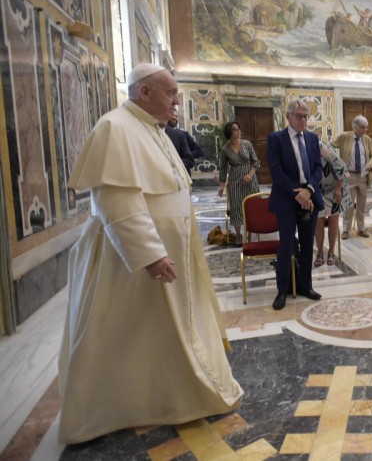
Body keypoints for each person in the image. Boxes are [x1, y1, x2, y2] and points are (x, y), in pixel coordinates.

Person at [58, 63, 243, 444]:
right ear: (144, 92)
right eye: (170, 92)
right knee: (127, 334)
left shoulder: (155, 130)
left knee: (161, 334)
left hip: (169, 255)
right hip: (130, 265)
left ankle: (172, 395)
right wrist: (149, 254)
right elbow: (115, 200)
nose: (177, 100)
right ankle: (111, 408)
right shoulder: (114, 128)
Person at [267, 100, 324, 310]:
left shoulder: (312, 138)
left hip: (309, 197)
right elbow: (276, 172)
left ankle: (305, 286)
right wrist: (299, 193)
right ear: (288, 116)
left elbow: (318, 167)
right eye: (299, 116)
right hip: (286, 198)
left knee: (308, 245)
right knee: (286, 246)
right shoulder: (276, 139)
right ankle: (282, 290)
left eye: (305, 116)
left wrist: (308, 190)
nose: (303, 120)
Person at [217, 121, 260, 246]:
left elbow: (256, 162)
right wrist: (222, 185)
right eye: (235, 129)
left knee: (251, 205)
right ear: (229, 132)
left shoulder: (247, 144)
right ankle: (238, 234)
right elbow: (223, 168)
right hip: (235, 180)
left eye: (238, 129)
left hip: (250, 179)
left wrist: (250, 175)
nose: (238, 131)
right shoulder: (225, 149)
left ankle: (250, 233)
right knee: (236, 206)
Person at [333, 115, 372, 239]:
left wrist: (370, 163)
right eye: (363, 127)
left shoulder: (367, 140)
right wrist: (336, 163)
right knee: (349, 204)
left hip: (363, 175)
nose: (365, 130)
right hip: (349, 175)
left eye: (366, 127)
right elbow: (330, 146)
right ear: (355, 126)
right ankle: (346, 229)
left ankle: (361, 228)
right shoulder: (344, 137)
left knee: (362, 204)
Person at [314, 141, 352, 267]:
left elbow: (343, 168)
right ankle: (320, 253)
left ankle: (331, 252)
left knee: (333, 218)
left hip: (336, 185)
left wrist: (338, 189)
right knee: (319, 218)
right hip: (319, 188)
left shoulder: (322, 148)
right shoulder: (301, 149)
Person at [165, 110, 194, 175]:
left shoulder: (180, 135)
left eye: (176, 116)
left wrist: (174, 163)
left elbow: (190, 159)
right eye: (172, 115)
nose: (174, 117)